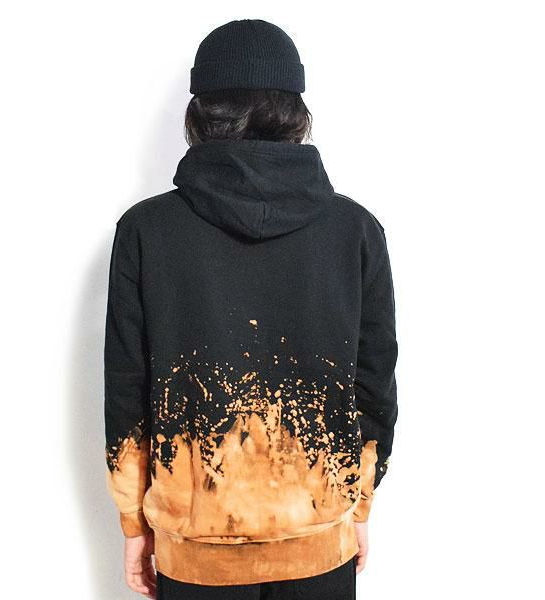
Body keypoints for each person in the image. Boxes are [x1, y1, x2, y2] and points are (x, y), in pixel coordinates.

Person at [104, 18, 398, 600]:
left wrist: (135, 527)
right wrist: (358, 505)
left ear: (201, 113)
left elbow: (127, 392)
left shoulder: (146, 231)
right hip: (320, 538)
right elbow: (374, 384)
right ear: (295, 112)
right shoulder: (355, 230)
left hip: (196, 551)